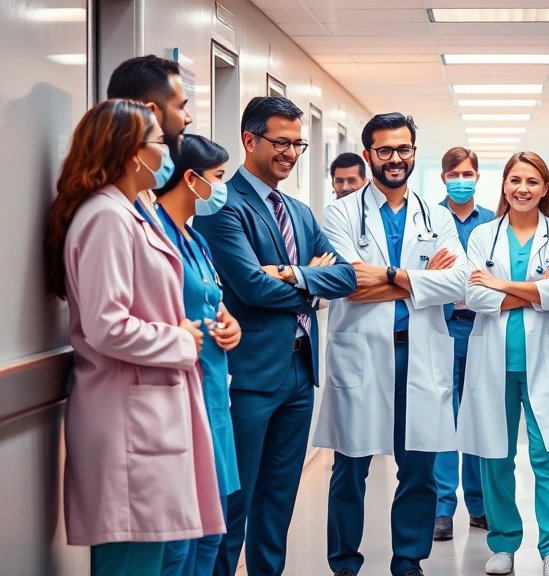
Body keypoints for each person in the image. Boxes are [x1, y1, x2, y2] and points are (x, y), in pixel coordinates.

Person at [43, 99, 223, 576]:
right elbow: (107, 324)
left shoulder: (130, 211)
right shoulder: (106, 217)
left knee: (153, 557)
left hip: (146, 411)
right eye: (160, 143)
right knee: (132, 562)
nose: (167, 152)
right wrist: (181, 340)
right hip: (126, 419)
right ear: (131, 152)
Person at [192, 97, 358, 576]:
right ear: (250, 140)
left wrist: (288, 273)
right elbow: (249, 286)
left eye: (297, 143)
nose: (290, 152)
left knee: (279, 500)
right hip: (249, 375)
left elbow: (345, 276)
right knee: (235, 499)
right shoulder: (223, 206)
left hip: (299, 373)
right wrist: (311, 285)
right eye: (280, 142)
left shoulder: (300, 212)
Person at [314, 113, 469, 576]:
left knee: (418, 469)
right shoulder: (340, 212)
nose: (395, 158)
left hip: (419, 353)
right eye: (384, 150)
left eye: (403, 149)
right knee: (350, 467)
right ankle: (344, 563)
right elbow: (346, 282)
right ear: (368, 155)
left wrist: (389, 277)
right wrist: (422, 281)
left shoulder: (436, 215)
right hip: (362, 351)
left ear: (414, 153)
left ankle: (408, 561)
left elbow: (458, 282)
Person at [456, 151, 549, 576]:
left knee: (548, 457)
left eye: (532, 181)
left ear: (545, 188)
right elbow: (474, 297)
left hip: (543, 361)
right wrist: (533, 289)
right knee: (496, 456)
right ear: (504, 185)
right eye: (515, 180)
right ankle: (504, 544)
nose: (522, 188)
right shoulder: (482, 236)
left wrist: (502, 286)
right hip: (494, 361)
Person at [153, 134, 244, 576]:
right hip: (181, 399)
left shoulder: (196, 239)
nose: (221, 189)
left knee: (213, 527)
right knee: (181, 534)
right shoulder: (155, 237)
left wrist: (230, 324)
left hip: (214, 395)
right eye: (218, 178)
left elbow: (213, 302)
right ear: (191, 179)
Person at [432, 146, 494, 541]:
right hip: (441, 325)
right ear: (443, 178)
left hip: (482, 326)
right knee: (441, 414)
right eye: (453, 174)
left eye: (467, 173)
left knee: (477, 413)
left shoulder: (493, 222)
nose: (460, 180)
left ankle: (479, 504)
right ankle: (442, 508)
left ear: (477, 177)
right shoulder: (428, 217)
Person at [106, 55, 194, 218]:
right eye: (181, 107)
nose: (188, 118)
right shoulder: (108, 212)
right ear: (150, 113)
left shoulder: (144, 193)